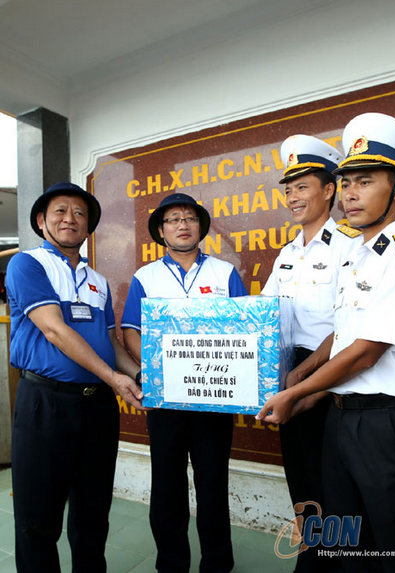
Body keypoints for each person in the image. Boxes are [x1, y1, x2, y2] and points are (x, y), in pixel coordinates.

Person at [257, 113, 395, 572]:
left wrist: (296, 390)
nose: (351, 193)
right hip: (338, 413)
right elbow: (343, 334)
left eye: (365, 182)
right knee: (347, 541)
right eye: (348, 182)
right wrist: (311, 394)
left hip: (387, 422)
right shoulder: (360, 259)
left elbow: (367, 350)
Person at [6, 182, 144, 573]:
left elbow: (111, 343)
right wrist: (113, 378)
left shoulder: (97, 280)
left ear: (88, 227)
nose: (71, 219)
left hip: (97, 407)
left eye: (80, 213)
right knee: (38, 518)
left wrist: (139, 375)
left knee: (92, 513)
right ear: (41, 220)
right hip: (45, 403)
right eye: (61, 211)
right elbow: (54, 329)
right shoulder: (28, 265)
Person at [121, 192, 248, 573]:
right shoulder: (146, 276)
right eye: (174, 219)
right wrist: (158, 371)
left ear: (200, 227)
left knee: (213, 484)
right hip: (166, 400)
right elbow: (131, 331)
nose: (183, 225)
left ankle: (217, 564)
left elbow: (246, 328)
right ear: (161, 231)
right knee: (167, 485)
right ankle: (172, 564)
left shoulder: (224, 272)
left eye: (190, 218)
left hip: (214, 398)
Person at [261, 134, 358, 572]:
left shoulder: (350, 246)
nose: (293, 197)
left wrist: (303, 378)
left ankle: (333, 562)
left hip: (334, 377)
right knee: (300, 480)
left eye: (302, 186)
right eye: (288, 189)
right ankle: (313, 559)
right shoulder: (287, 254)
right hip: (289, 375)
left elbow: (350, 326)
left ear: (329, 189)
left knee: (334, 486)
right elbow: (265, 316)